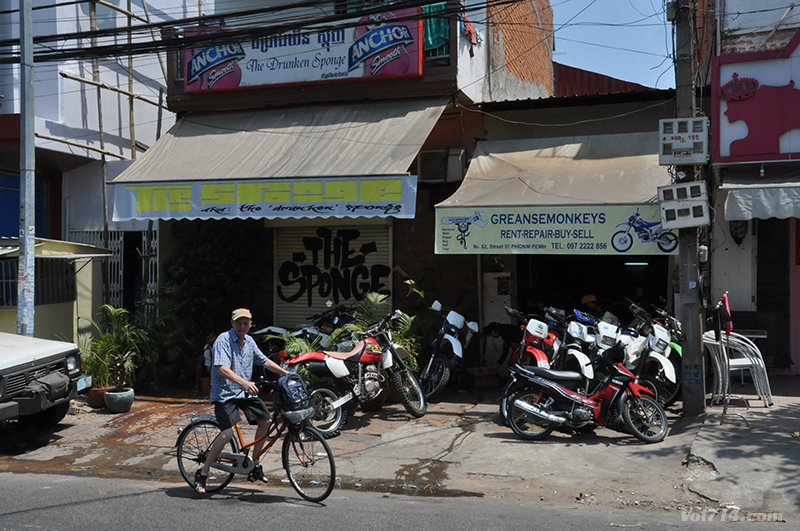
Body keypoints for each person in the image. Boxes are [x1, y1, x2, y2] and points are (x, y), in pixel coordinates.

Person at [194, 308, 289, 494]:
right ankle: (203, 472)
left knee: (266, 421)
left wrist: (286, 373)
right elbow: (221, 368)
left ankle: (254, 466)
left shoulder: (250, 341)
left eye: (246, 323)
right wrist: (245, 383)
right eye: (239, 323)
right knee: (227, 434)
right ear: (232, 323)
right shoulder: (223, 339)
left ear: (250, 324)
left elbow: (264, 361)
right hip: (225, 394)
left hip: (244, 393)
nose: (242, 326)